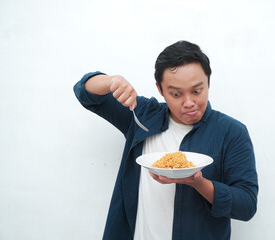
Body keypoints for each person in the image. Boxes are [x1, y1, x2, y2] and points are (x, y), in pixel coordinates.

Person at [73, 40, 258, 240]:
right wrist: (111, 81)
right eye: (176, 94)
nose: (189, 103)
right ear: (160, 90)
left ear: (208, 82)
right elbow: (84, 93)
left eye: (197, 91)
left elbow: (246, 206)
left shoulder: (231, 132)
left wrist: (199, 183)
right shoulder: (141, 115)